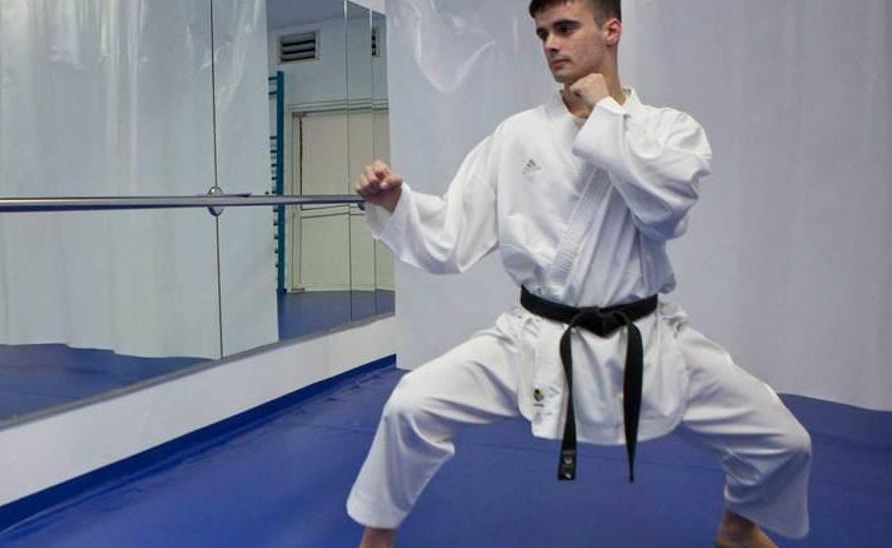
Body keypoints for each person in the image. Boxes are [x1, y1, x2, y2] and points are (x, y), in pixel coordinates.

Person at [347, 1, 811, 546]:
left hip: (647, 337)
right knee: (410, 405)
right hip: (534, 336)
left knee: (785, 442)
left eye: (565, 28)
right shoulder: (517, 135)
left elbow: (663, 213)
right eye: (543, 32)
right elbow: (451, 234)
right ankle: (377, 537)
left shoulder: (669, 130)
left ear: (612, 29)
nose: (550, 44)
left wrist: (605, 117)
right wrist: (397, 201)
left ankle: (739, 525)